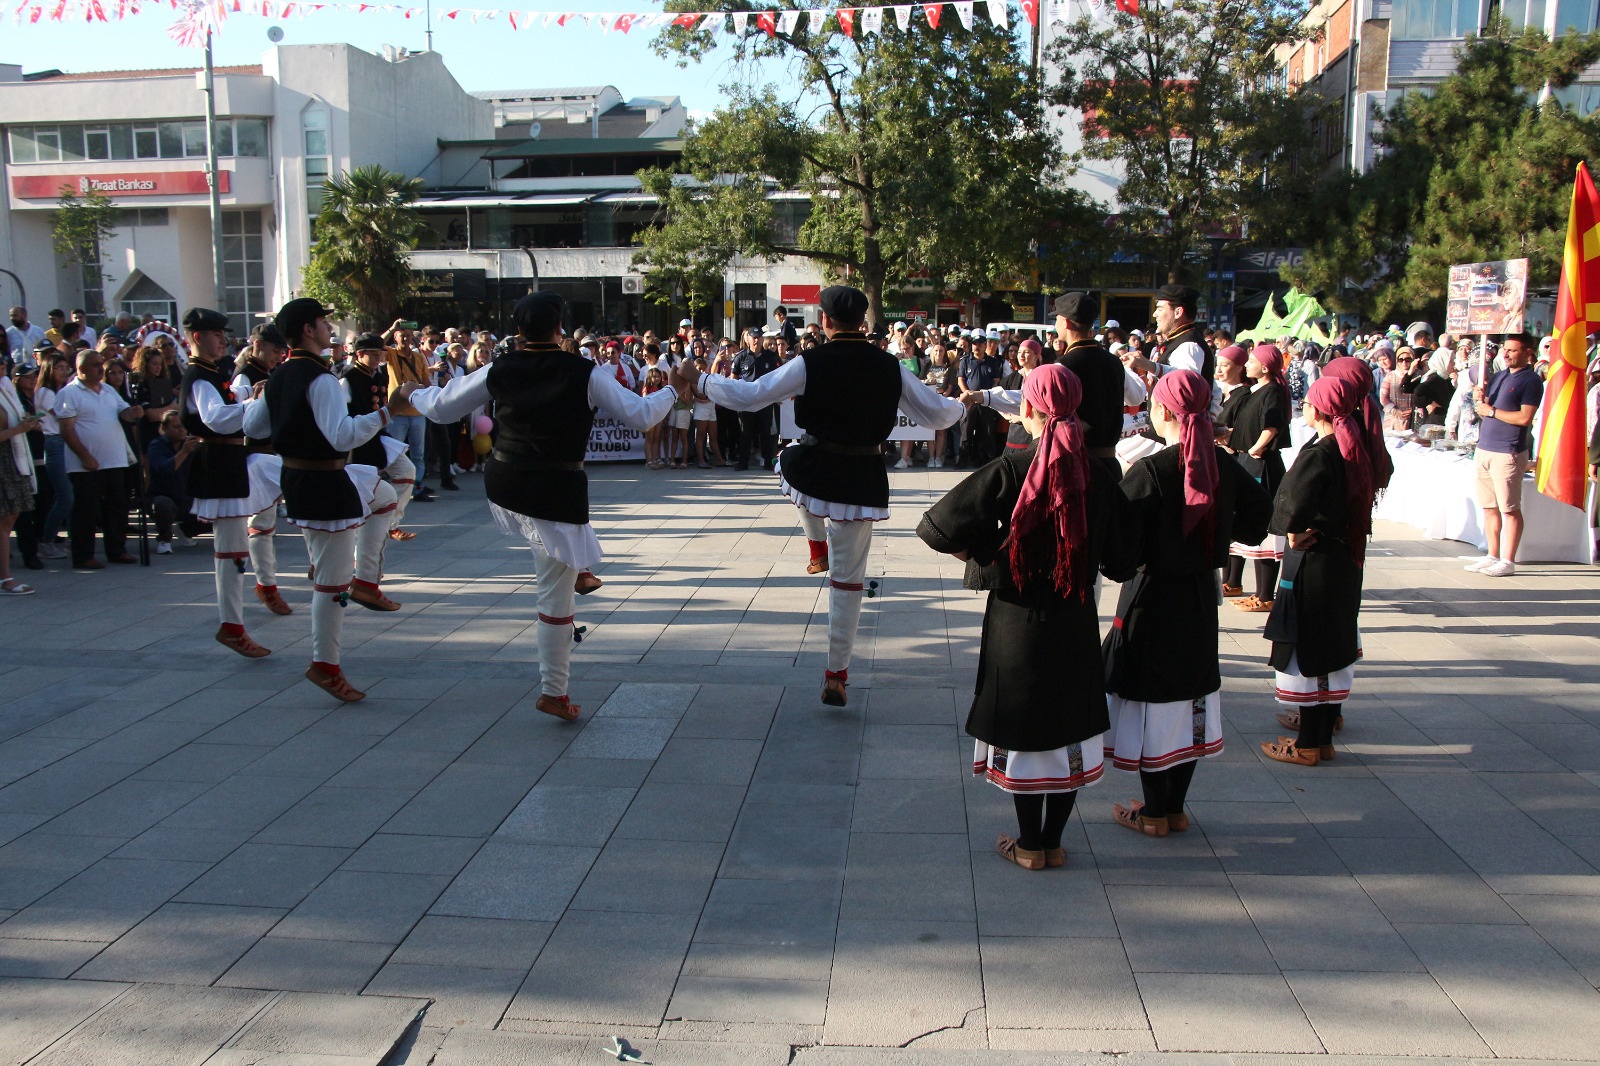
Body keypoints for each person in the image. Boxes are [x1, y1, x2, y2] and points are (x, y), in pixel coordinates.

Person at [681, 284, 966, 706]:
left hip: (818, 467)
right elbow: (938, 413)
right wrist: (966, 404)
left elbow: (751, 396)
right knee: (847, 583)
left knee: (790, 463)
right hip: (864, 477)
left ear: (826, 321)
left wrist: (699, 377)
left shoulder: (809, 362)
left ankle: (816, 544)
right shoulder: (890, 366)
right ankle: (836, 673)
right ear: (863, 322)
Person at [402, 290, 678, 722]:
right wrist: (673, 392)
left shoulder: (500, 366)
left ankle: (576, 574)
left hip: (506, 479)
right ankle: (553, 689)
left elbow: (439, 407)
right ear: (559, 329)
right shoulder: (582, 371)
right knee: (554, 590)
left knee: (554, 557)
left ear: (517, 330)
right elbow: (641, 415)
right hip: (553, 485)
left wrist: (412, 393)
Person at [917, 363, 1126, 869]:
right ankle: (1050, 841)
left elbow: (936, 528)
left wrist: (989, 553)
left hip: (1018, 620)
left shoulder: (1012, 469)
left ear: (1029, 409)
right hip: (1075, 615)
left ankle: (1030, 843)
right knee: (1067, 723)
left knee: (1028, 725)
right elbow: (1122, 558)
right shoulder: (1099, 474)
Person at [1102, 370, 1271, 835]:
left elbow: (1116, 545)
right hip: (1198, 595)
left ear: (1160, 412)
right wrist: (1216, 538)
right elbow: (1259, 520)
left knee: (1154, 700)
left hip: (1151, 597)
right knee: (1187, 697)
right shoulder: (1223, 465)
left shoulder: (1152, 470)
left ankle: (1154, 811)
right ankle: (1172, 807)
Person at [242, 298, 400, 701]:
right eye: (324, 322)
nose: (330, 328)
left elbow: (252, 424)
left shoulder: (280, 375)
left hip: (299, 479)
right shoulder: (320, 378)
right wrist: (386, 413)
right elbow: (341, 435)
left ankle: (360, 585)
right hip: (324, 483)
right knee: (332, 585)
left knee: (380, 501)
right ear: (309, 329)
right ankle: (325, 665)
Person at [1260, 375, 1376, 766]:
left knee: (1310, 647)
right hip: (1343, 560)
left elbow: (1292, 502)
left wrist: (1291, 531)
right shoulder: (1353, 446)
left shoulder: (1323, 451)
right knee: (1332, 644)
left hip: (1317, 560)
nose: (1304, 408)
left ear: (1320, 410)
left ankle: (1308, 742)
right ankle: (1321, 738)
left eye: (1308, 402)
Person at [179, 306, 292, 655]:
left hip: (228, 461)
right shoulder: (199, 373)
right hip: (219, 462)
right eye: (216, 335)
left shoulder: (209, 372)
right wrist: (252, 404)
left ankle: (235, 622)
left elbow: (222, 407)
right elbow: (215, 418)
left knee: (233, 549)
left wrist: (246, 398)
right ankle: (231, 626)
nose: (223, 341)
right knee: (229, 552)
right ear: (198, 337)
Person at [55, 347, 144, 569]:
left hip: (115, 460)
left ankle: (117, 549)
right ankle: (84, 555)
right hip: (85, 464)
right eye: (95, 365)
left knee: (117, 506)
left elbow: (123, 413)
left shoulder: (108, 390)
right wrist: (85, 456)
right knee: (86, 510)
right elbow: (67, 430)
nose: (100, 369)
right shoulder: (69, 393)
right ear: (82, 368)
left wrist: (133, 413)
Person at [1219, 343, 1291, 612]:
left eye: (1252, 361)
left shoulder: (1271, 392)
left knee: (1265, 528)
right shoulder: (1253, 391)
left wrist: (1256, 448)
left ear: (1265, 367)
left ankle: (1265, 594)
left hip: (1261, 465)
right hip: (1246, 461)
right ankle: (1234, 582)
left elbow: (1271, 426)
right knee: (1242, 520)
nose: (1247, 365)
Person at [1466, 332, 1543, 577]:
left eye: (1513, 350)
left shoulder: (1531, 381)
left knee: (1509, 508)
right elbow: (1486, 410)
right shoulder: (1498, 377)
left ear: (1528, 352)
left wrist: (1490, 411)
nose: (1506, 354)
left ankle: (1508, 560)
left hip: (1508, 451)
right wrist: (1481, 403)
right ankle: (1492, 554)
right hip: (1485, 447)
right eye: (1505, 349)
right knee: (1489, 507)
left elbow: (1524, 417)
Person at [343, 332, 418, 542]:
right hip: (359, 440)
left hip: (379, 435)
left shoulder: (379, 375)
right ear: (360, 354)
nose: (379, 359)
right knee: (366, 489)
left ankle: (391, 523)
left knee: (407, 470)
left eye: (380, 354)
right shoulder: (348, 379)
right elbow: (342, 415)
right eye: (374, 355)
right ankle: (361, 534)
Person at [381, 320, 435, 501]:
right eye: (401, 335)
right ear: (396, 337)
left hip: (417, 412)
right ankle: (396, 488)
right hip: (398, 413)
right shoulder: (392, 355)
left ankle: (417, 486)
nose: (405, 338)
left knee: (418, 453)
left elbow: (427, 382)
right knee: (394, 453)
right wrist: (391, 328)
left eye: (408, 335)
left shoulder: (418, 357)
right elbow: (376, 344)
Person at [0, 358, 40, 594]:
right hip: (4, 459)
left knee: (9, 519)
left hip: (12, 458)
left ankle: (5, 577)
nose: (2, 364)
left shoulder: (5, 388)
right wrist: (19, 429)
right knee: (4, 522)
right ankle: (5, 578)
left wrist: (28, 423)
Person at [146, 409, 203, 554]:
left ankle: (186, 530)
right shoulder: (156, 446)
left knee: (216, 504)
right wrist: (183, 452)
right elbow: (164, 470)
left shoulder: (192, 445)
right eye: (176, 427)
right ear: (164, 428)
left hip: (187, 498)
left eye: (183, 426)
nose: (181, 430)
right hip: (163, 496)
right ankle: (164, 540)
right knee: (163, 504)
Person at [730, 328, 780, 471]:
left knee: (766, 432)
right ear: (748, 339)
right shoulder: (741, 357)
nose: (756, 340)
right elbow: (734, 378)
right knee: (746, 432)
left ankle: (768, 461)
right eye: (754, 337)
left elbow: (776, 377)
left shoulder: (770, 356)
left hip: (764, 400)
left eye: (759, 337)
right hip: (747, 402)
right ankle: (743, 461)